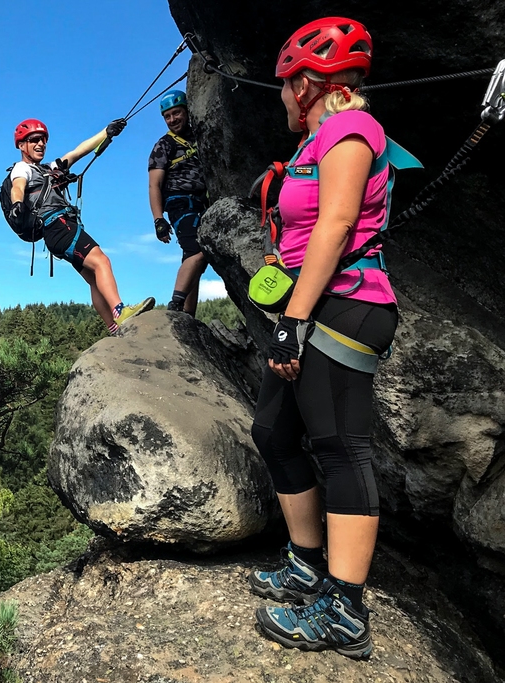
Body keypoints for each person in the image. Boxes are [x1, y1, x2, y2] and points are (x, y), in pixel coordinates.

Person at [246, 17, 401, 660]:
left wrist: (294, 320)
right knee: (275, 432)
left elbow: (336, 227)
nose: (280, 96)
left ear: (308, 84)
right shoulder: (314, 144)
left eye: (285, 85)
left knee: (340, 447)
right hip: (316, 304)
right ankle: (308, 563)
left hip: (347, 305)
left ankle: (345, 609)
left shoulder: (350, 130)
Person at [7, 118, 154, 335]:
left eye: (43, 140)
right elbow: (17, 186)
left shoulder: (49, 169)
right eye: (34, 140)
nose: (41, 144)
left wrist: (107, 132)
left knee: (95, 278)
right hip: (59, 226)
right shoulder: (22, 169)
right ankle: (120, 311)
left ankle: (114, 329)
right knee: (103, 261)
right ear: (21, 145)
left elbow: (78, 152)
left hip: (56, 234)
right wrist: (17, 203)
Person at [148, 90, 209, 315]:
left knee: (194, 260)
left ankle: (187, 314)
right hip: (179, 202)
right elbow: (154, 184)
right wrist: (158, 220)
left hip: (202, 201)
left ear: (186, 111)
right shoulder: (164, 145)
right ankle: (176, 305)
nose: (173, 119)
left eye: (177, 113)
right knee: (198, 250)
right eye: (168, 116)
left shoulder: (199, 136)